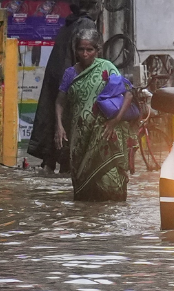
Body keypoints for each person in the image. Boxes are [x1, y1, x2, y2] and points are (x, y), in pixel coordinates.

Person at [55, 27, 135, 202]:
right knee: (83, 184)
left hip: (105, 134)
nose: (84, 54)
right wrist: (59, 126)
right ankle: (86, 219)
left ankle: (107, 219)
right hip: (80, 138)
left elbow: (128, 92)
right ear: (75, 50)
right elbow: (60, 101)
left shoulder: (107, 68)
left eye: (89, 49)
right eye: (81, 49)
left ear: (97, 51)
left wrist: (116, 120)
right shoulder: (70, 74)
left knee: (110, 180)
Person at [28, 0, 100, 174]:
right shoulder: (86, 24)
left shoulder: (69, 23)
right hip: (71, 81)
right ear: (96, 7)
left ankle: (51, 164)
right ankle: (65, 168)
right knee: (70, 129)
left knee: (55, 125)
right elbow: (83, 57)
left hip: (57, 79)